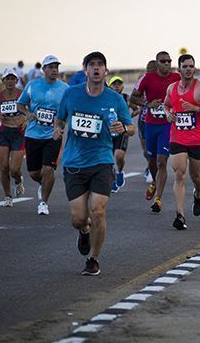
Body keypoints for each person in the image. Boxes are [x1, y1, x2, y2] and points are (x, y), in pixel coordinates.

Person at [54, 51, 135, 275]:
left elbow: (131, 127)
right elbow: (60, 118)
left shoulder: (115, 99)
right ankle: (84, 231)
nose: (96, 68)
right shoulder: (71, 94)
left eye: (100, 65)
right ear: (85, 70)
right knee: (78, 218)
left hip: (101, 161)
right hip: (74, 162)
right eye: (92, 65)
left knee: (98, 211)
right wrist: (58, 128)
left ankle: (93, 259)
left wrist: (123, 128)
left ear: (106, 71)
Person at [164, 54, 200, 229]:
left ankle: (198, 193)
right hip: (177, 137)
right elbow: (166, 105)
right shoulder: (171, 88)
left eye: (191, 66)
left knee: (195, 177)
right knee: (179, 174)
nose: (188, 69)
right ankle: (180, 215)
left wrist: (196, 108)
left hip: (196, 139)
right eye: (185, 66)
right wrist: (168, 113)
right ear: (179, 69)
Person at [129, 51, 181, 213]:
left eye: (169, 61)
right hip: (151, 124)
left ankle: (158, 198)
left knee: (161, 161)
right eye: (163, 61)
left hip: (167, 124)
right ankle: (154, 182)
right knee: (151, 160)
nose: (167, 64)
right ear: (157, 63)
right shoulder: (148, 78)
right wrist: (147, 103)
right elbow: (133, 98)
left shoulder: (176, 78)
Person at [17, 55, 69, 215]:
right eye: (51, 67)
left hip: (53, 135)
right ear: (44, 69)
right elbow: (20, 104)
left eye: (56, 67)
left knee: (48, 169)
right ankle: (43, 184)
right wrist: (28, 113)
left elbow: (69, 109)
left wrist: (62, 125)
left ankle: (43, 203)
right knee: (34, 173)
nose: (54, 70)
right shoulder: (33, 85)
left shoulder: (65, 89)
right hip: (33, 134)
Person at [0, 68, 26, 207]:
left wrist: (27, 121)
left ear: (16, 80)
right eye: (7, 79)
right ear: (3, 81)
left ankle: (18, 180)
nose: (10, 81)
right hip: (4, 133)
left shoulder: (22, 95)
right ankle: (8, 197)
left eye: (12, 78)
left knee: (14, 169)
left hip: (19, 134)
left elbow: (32, 111)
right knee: (3, 167)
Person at [108, 76, 131, 192]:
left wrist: (129, 120)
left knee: (119, 155)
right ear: (109, 86)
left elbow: (136, 108)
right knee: (108, 158)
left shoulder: (126, 98)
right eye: (114, 84)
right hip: (108, 131)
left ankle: (120, 171)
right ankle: (112, 180)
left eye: (119, 84)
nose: (117, 86)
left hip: (121, 131)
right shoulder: (105, 98)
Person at [137, 60, 158, 184]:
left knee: (156, 149)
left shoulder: (162, 81)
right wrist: (145, 104)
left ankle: (153, 168)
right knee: (146, 151)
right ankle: (150, 165)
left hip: (158, 120)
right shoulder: (142, 80)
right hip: (143, 119)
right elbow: (135, 98)